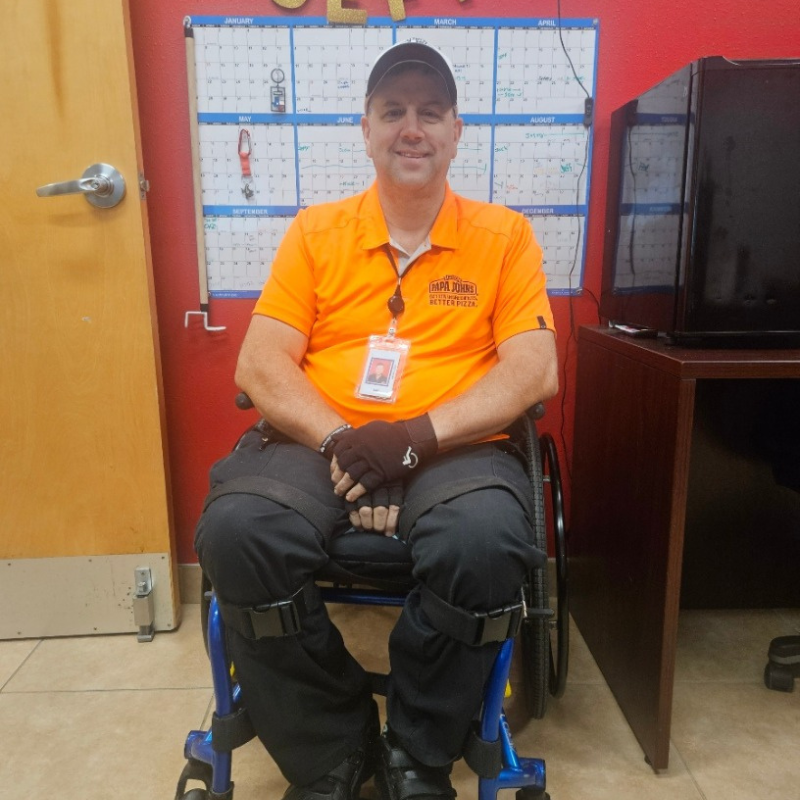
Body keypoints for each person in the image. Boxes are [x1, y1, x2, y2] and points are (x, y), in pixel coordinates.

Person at [195, 39, 558, 800]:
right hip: (318, 441)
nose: (412, 128)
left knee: (484, 544)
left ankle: (416, 754)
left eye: (431, 112)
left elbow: (533, 372)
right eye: (393, 111)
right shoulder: (315, 233)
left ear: (457, 131)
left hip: (454, 446)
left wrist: (413, 441)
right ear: (366, 130)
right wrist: (344, 441)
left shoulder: (506, 238)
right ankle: (333, 747)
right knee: (237, 533)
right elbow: (259, 365)